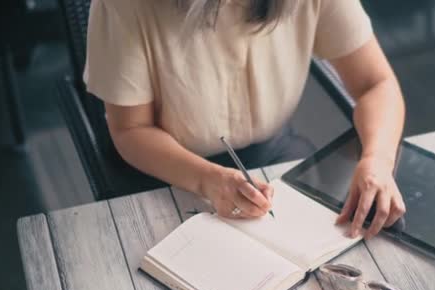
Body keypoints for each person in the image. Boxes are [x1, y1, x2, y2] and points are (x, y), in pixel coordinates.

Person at [84, 0, 406, 239]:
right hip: (159, 175)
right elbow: (130, 129)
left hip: (271, 156)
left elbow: (375, 85)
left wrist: (378, 159)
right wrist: (206, 180)